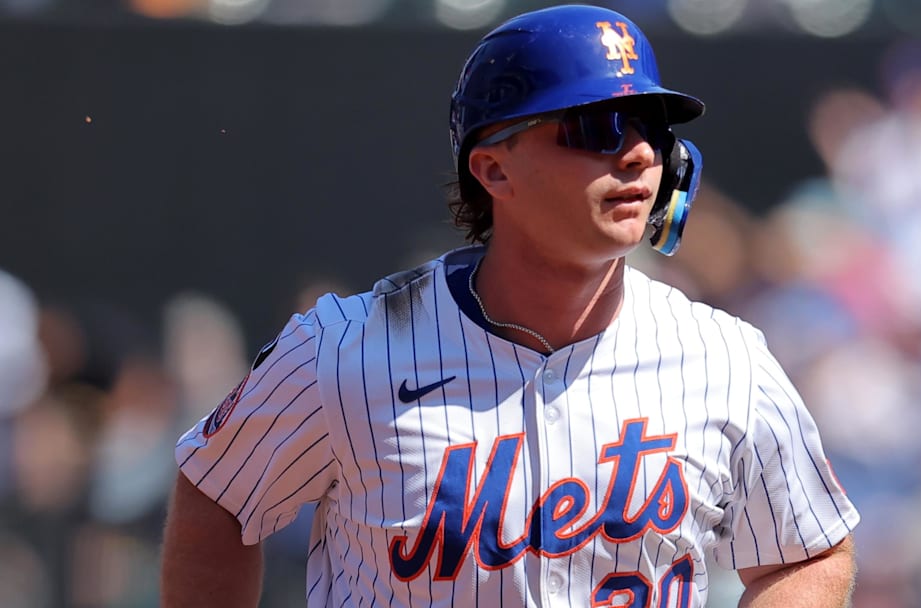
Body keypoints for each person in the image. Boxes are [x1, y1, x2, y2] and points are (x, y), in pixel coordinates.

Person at [160, 5, 860, 607]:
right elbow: (216, 496)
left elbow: (808, 552)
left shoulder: (724, 358)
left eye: (651, 127)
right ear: (494, 167)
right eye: (598, 126)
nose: (640, 154)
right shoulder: (345, 350)